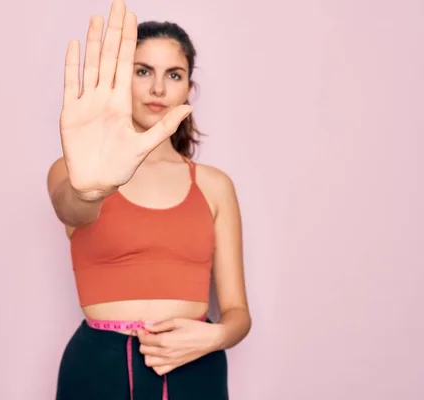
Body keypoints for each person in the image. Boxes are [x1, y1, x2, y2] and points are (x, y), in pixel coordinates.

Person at [47, 0, 251, 398]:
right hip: (98, 368)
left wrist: (215, 337)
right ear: (121, 80)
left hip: (196, 367)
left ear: (189, 89)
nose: (158, 88)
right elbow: (72, 206)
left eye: (173, 75)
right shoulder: (77, 169)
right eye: (143, 72)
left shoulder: (213, 185)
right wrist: (92, 188)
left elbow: (238, 313)